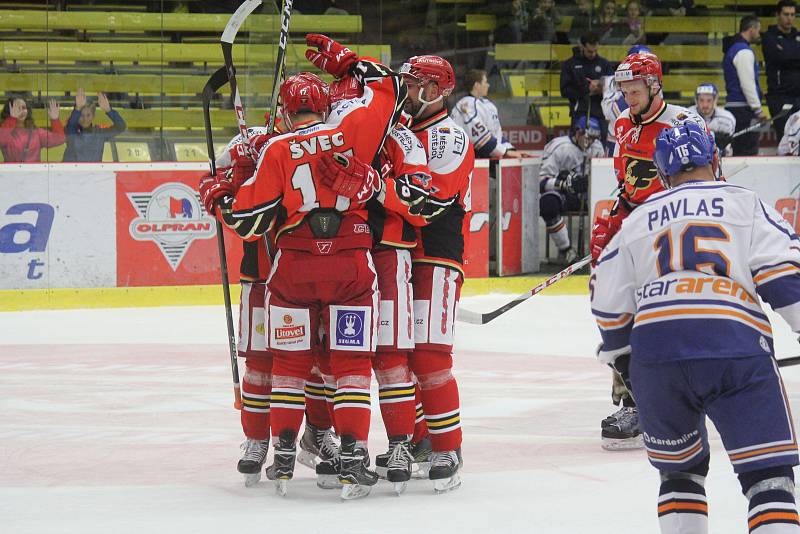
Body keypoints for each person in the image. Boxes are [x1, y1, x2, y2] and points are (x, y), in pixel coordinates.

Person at [199, 34, 406, 500]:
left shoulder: (274, 150)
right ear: (327, 103)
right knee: (350, 363)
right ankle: (353, 449)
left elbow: (248, 222)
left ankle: (286, 450)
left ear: (287, 111)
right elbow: (389, 87)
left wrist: (219, 196)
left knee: (290, 362)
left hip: (293, 266)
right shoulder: (351, 130)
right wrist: (351, 63)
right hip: (351, 265)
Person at [592, 120, 800, 534]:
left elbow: (607, 306)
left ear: (664, 173)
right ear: (715, 159)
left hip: (655, 353)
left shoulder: (637, 220)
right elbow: (783, 277)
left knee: (680, 477)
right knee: (768, 477)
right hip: (733, 343)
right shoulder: (744, 203)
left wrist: (627, 362)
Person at [590, 51, 707, 451]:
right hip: (636, 231)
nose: (627, 96)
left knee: (667, 319)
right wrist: (614, 219)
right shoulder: (622, 123)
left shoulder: (683, 123)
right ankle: (634, 401)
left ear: (654, 85)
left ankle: (681, 394)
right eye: (623, 90)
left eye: (634, 88)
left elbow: (709, 183)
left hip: (672, 234)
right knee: (623, 314)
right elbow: (628, 184)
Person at [399, 54, 475, 493]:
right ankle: (418, 437)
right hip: (401, 257)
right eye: (408, 83)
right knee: (402, 359)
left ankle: (448, 445)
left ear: (439, 90)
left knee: (429, 357)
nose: (409, 91)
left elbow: (429, 202)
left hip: (436, 256)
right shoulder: (404, 131)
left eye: (417, 84)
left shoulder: (447, 135)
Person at [539, 115, 605, 264]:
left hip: (588, 194)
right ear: (577, 133)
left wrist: (590, 182)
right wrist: (563, 184)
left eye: (594, 138)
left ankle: (604, 251)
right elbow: (541, 181)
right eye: (588, 137)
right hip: (564, 194)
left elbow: (604, 175)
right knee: (548, 204)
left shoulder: (597, 147)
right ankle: (566, 250)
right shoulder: (558, 147)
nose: (591, 142)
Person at [450, 69, 523, 159]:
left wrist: (510, 149)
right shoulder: (466, 106)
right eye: (485, 82)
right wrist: (505, 152)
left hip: (487, 157)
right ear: (477, 85)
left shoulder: (485, 104)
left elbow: (496, 134)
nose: (488, 85)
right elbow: (480, 138)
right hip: (469, 160)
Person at [723, 15, 765, 156]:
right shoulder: (743, 50)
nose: (758, 33)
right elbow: (747, 83)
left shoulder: (734, 48)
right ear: (752, 29)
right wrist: (758, 109)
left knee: (739, 151)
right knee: (748, 152)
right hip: (744, 110)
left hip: (736, 107)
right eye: (758, 30)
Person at [560, 32, 614, 140]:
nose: (593, 54)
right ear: (582, 47)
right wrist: (587, 89)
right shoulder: (570, 64)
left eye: (595, 51)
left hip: (602, 114)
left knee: (602, 148)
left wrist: (601, 88)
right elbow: (564, 91)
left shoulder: (605, 64)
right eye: (590, 51)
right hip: (579, 113)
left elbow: (613, 89)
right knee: (577, 146)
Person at [600, 44, 651, 153]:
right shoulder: (612, 81)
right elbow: (608, 112)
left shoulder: (653, 82)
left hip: (643, 142)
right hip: (616, 142)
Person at [762, 0, 800, 139]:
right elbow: (781, 58)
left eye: (792, 14)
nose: (789, 18)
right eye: (786, 14)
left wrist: (788, 55)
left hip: (798, 97)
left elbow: (786, 57)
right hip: (779, 97)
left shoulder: (798, 35)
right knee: (784, 138)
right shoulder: (769, 37)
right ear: (778, 15)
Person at [63, 88, 126, 162]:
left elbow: (121, 127)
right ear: (77, 115)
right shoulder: (71, 131)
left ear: (93, 115)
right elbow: (71, 124)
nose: (85, 119)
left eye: (88, 115)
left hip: (94, 172)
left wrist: (109, 110)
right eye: (81, 115)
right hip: (71, 172)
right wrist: (77, 108)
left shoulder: (100, 133)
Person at [0, 96, 64, 163]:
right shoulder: (5, 130)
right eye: (17, 108)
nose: (21, 111)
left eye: (24, 108)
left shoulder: (36, 132)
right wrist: (12, 119)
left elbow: (60, 139)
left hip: (34, 172)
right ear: (9, 110)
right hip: (10, 172)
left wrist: (55, 120)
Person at [688, 83, 736, 156]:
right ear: (696, 101)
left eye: (709, 100)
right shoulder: (687, 116)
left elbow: (727, 146)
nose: (705, 105)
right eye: (701, 100)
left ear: (715, 100)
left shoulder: (727, 119)